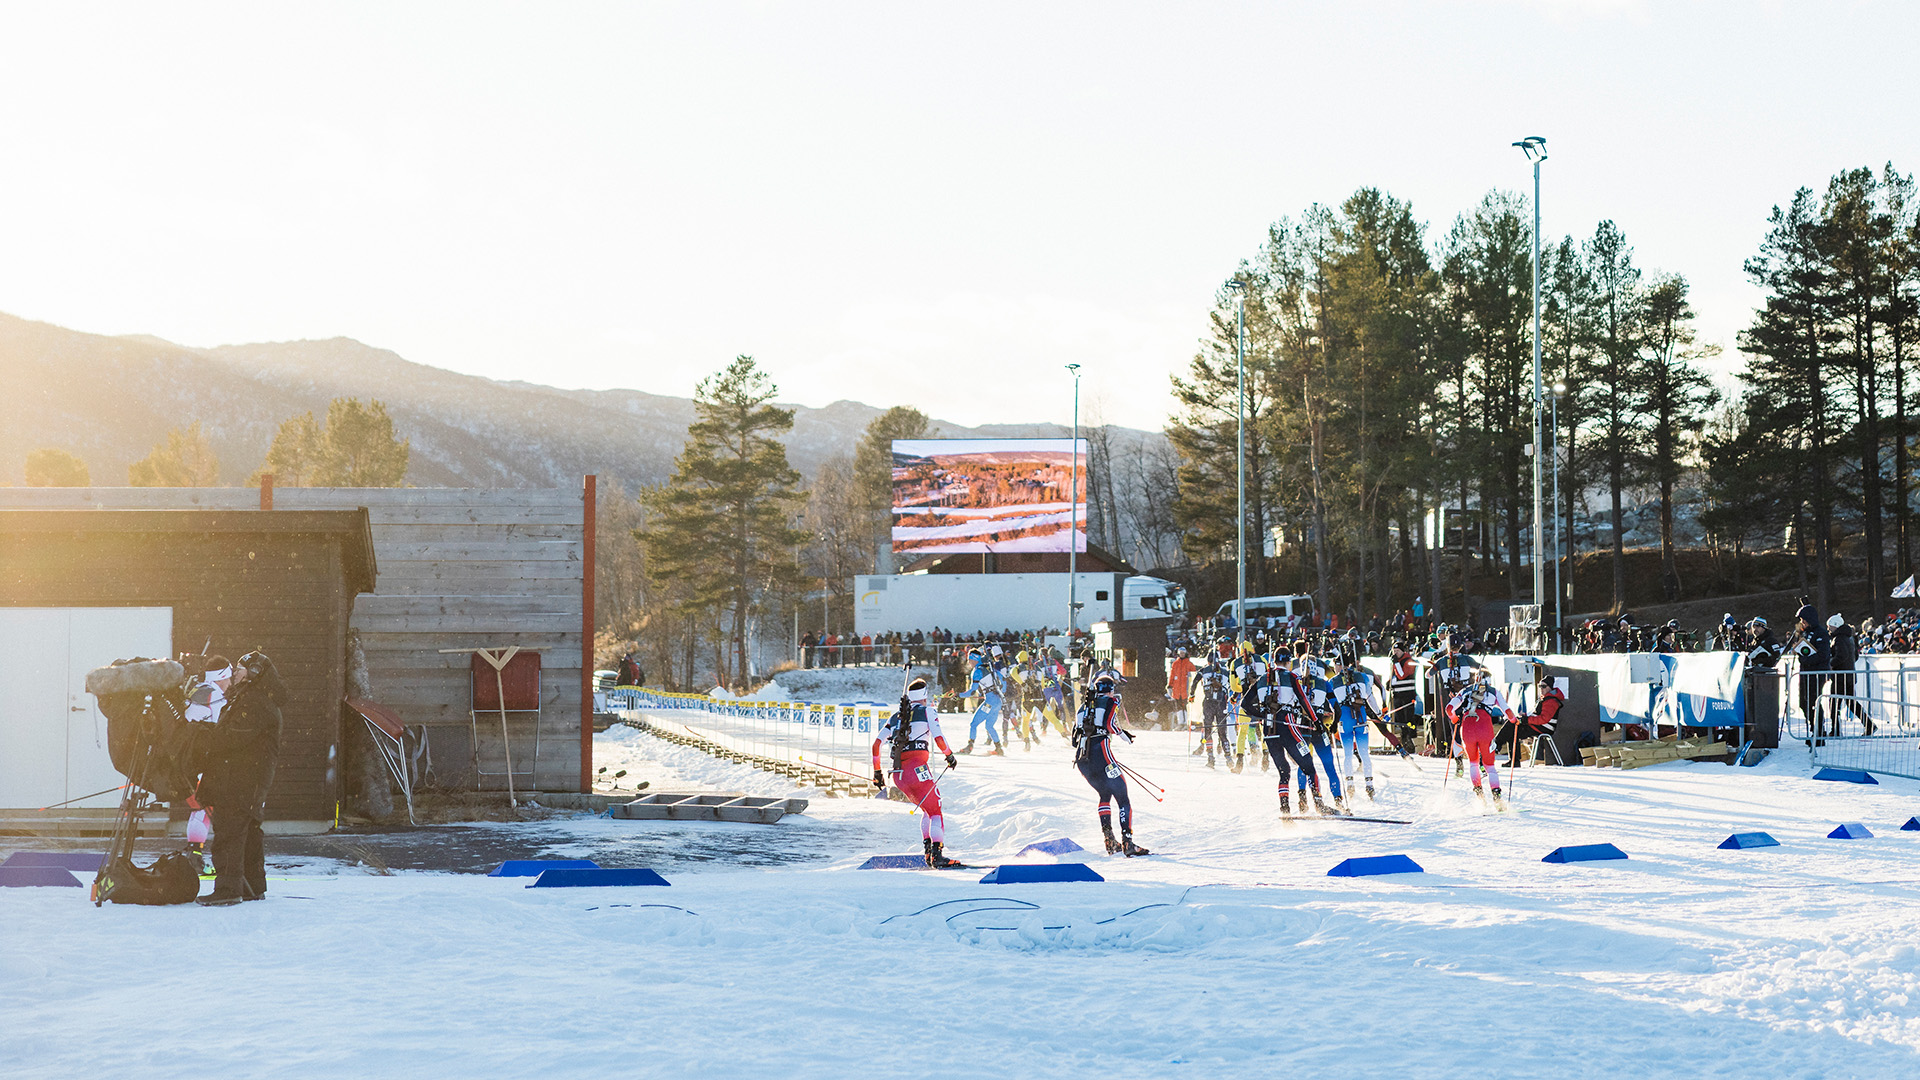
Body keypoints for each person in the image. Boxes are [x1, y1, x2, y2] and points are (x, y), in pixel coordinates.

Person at [194, 650, 286, 905]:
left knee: (229, 832)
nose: (234, 673)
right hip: (249, 779)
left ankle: (228, 889)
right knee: (249, 832)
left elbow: (231, 737)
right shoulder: (254, 699)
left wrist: (200, 736)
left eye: (239, 669)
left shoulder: (254, 702)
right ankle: (252, 886)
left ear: (253, 673)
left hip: (241, 780)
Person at [872, 678, 962, 868]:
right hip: (917, 769)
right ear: (925, 696)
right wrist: (949, 756)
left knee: (927, 810)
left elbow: (876, 744)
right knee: (936, 809)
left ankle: (929, 853)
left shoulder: (895, 716)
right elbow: (938, 737)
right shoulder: (928, 711)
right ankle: (936, 855)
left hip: (899, 775)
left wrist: (877, 773)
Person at [1072, 675, 1148, 856]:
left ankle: (1109, 840)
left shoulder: (1083, 707)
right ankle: (1127, 842)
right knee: (1122, 797)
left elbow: (1075, 739)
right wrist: (1123, 736)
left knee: (1104, 794)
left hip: (1083, 760)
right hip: (1102, 754)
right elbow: (1109, 724)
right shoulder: (1111, 700)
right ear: (1110, 689)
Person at [1446, 670, 1513, 808]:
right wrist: (1514, 721)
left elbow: (1449, 708)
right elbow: (1507, 712)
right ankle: (1497, 799)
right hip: (1485, 728)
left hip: (1467, 727)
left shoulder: (1466, 690)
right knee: (1489, 766)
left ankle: (1479, 796)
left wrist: (1454, 719)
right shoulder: (1493, 692)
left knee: (1473, 763)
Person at [1326, 655, 1382, 801]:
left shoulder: (1333, 681)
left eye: (1336, 665)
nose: (1335, 668)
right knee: (1364, 753)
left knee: (1348, 753)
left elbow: (1330, 705)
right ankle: (1369, 784)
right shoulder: (1362, 676)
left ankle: (1350, 783)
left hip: (1345, 720)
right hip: (1361, 718)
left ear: (1339, 665)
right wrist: (1379, 714)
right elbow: (1370, 698)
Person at [1827, 613, 1871, 735]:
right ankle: (1869, 725)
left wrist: (1831, 664)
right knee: (1851, 703)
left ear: (1835, 625)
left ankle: (1835, 729)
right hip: (1849, 675)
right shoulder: (1849, 638)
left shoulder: (1839, 639)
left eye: (1830, 626)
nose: (1828, 629)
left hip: (1840, 676)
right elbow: (1854, 656)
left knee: (1834, 704)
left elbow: (1841, 655)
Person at [960, 646, 1006, 755]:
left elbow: (972, 691)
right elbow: (1004, 681)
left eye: (969, 659)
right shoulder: (988, 667)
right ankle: (998, 748)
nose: (968, 662)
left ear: (973, 659)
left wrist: (958, 695)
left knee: (974, 723)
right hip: (998, 701)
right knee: (989, 726)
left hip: (989, 703)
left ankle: (969, 746)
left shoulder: (977, 671)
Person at [1168, 646, 1197, 735]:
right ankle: (1181, 723)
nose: (1182, 655)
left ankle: (1187, 722)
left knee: (1186, 706)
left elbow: (1194, 675)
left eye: (1183, 653)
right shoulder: (1175, 664)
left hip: (1185, 689)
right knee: (1178, 706)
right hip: (1177, 689)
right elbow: (1172, 675)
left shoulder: (1189, 664)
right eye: (1180, 653)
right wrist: (1170, 685)